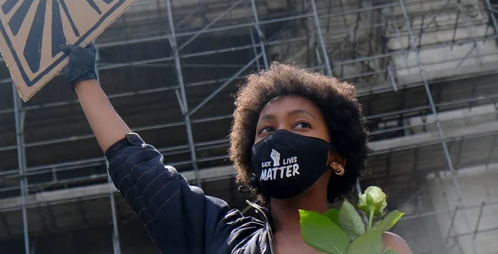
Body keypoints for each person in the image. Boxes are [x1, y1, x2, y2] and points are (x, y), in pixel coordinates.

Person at [61, 44, 412, 254]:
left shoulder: (380, 248)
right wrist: (84, 81)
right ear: (252, 160)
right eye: (266, 130)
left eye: (301, 125)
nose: (278, 138)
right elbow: (142, 175)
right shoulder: (219, 240)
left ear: (335, 157)